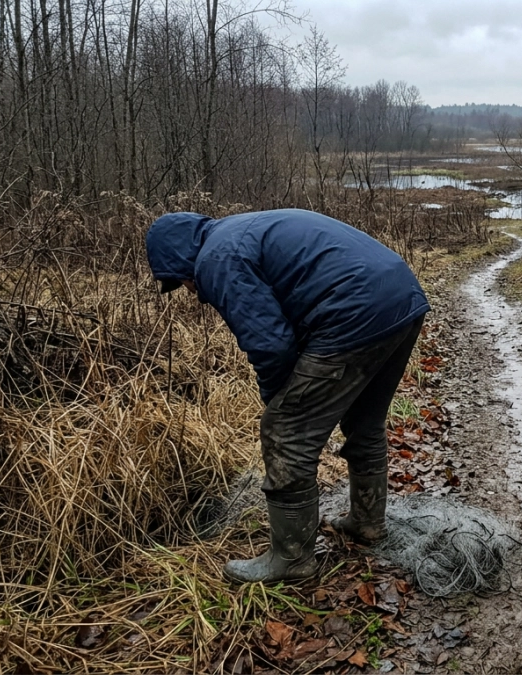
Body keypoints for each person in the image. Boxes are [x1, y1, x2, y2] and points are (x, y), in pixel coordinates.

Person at [145, 208, 429, 583]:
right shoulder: (239, 230)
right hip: (402, 299)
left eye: (180, 281)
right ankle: (367, 524)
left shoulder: (217, 258)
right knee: (365, 421)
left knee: (285, 433)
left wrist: (280, 403)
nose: (188, 288)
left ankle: (292, 560)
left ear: (179, 259)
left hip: (354, 313)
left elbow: (270, 345)